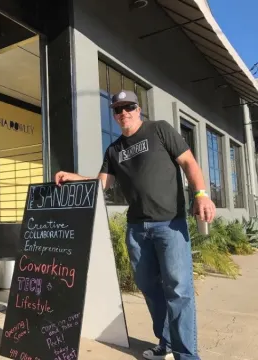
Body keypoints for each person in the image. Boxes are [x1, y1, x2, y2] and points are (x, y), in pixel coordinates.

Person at [55, 90, 216, 360]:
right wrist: (74, 178)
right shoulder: (114, 149)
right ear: (114, 115)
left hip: (170, 225)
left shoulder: (160, 130)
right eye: (118, 109)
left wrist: (201, 195)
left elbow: (189, 162)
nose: (123, 113)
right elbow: (101, 185)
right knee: (149, 288)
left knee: (178, 290)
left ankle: (186, 356)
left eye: (128, 107)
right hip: (138, 230)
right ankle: (165, 343)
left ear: (138, 109)